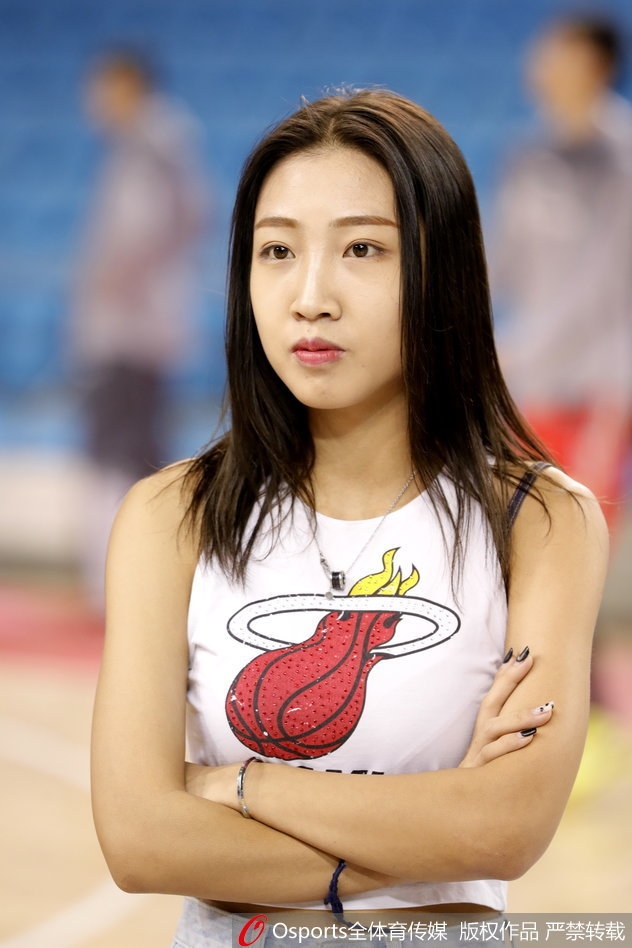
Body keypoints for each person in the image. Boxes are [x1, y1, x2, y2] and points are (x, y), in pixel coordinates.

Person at [90, 91, 608, 946]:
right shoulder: (169, 516)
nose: (310, 296)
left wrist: (241, 787)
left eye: (362, 248)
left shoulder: (539, 519)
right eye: (277, 251)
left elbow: (506, 829)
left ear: (440, 271)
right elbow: (140, 839)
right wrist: (429, 835)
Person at [70, 47, 209, 608]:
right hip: (148, 323)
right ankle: (133, 576)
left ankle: (114, 578)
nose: (95, 100)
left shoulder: (150, 145)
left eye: (104, 86)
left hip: (131, 327)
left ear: (128, 85)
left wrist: (107, 287)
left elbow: (138, 232)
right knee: (139, 449)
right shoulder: (163, 144)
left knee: (119, 451)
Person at [490, 15, 632, 533]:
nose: (540, 65)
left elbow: (606, 282)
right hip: (535, 378)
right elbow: (502, 261)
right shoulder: (527, 154)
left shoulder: (621, 156)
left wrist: (526, 342)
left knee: (585, 525)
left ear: (595, 64)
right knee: (526, 523)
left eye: (556, 53)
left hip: (602, 379)